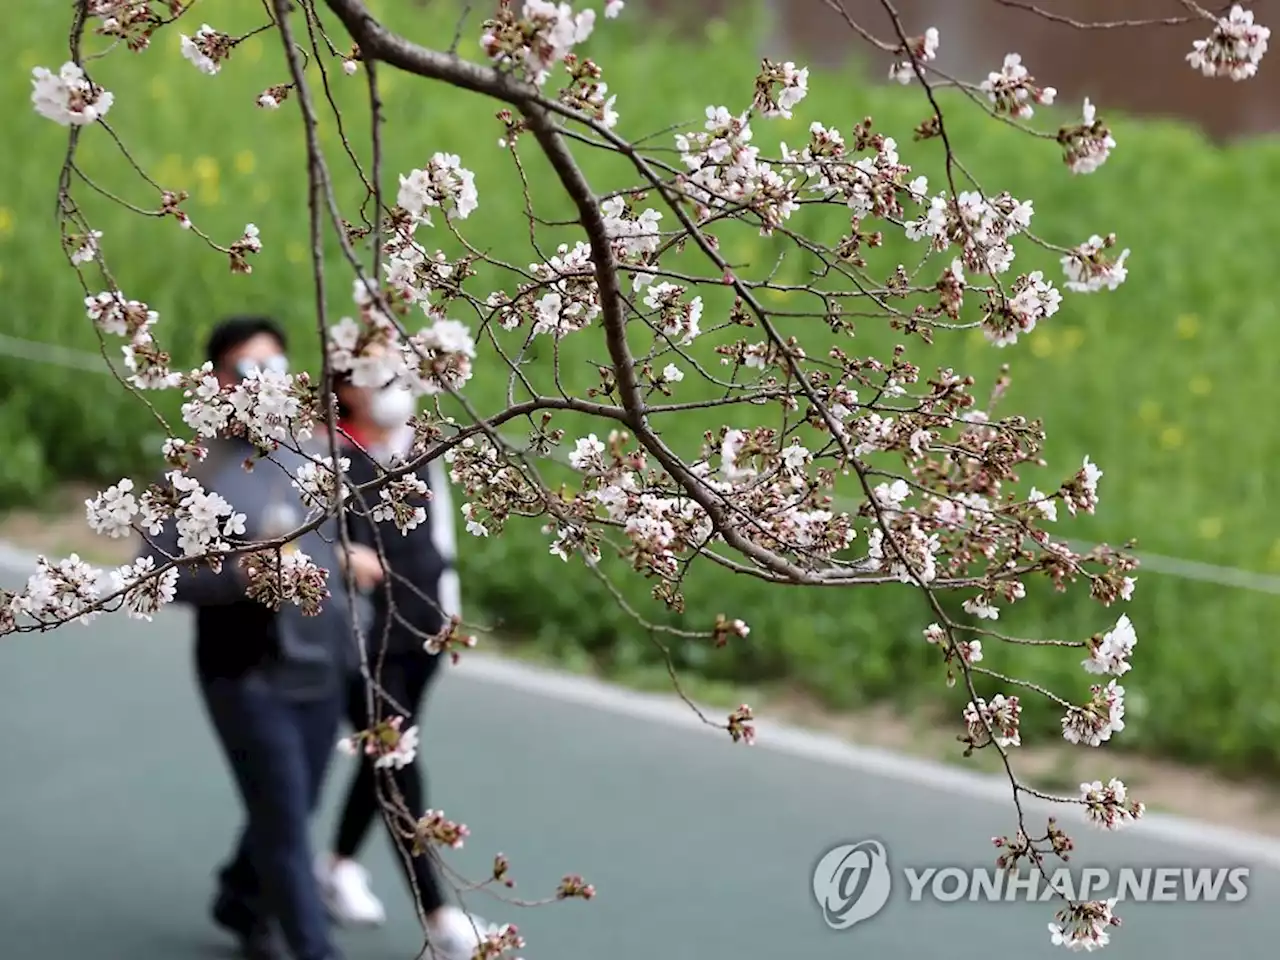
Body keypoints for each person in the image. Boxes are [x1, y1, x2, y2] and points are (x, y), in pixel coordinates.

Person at [139, 316, 379, 960]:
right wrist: (239, 574)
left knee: (292, 809)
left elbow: (351, 536)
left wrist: (354, 559)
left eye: (274, 367)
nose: (263, 383)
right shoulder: (195, 471)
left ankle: (241, 899)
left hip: (322, 666)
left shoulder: (321, 453)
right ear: (218, 381)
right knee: (284, 822)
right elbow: (157, 572)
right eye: (248, 370)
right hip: (245, 675)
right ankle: (314, 949)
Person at [313, 367, 488, 960]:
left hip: (424, 632)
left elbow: (440, 534)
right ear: (345, 388)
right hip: (364, 642)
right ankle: (440, 916)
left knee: (382, 760)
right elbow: (295, 539)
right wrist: (337, 555)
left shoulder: (420, 444)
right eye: (370, 376)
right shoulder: (325, 455)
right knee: (396, 761)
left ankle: (333, 867)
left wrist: (450, 614)